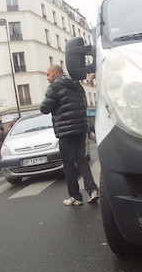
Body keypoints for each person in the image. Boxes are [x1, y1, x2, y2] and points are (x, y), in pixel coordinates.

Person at [40, 65, 99, 206]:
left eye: (49, 74)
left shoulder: (55, 87)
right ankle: (92, 190)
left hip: (66, 131)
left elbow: (44, 108)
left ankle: (76, 197)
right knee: (82, 160)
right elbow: (83, 105)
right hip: (80, 129)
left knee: (68, 164)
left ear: (58, 72)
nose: (48, 78)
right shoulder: (77, 85)